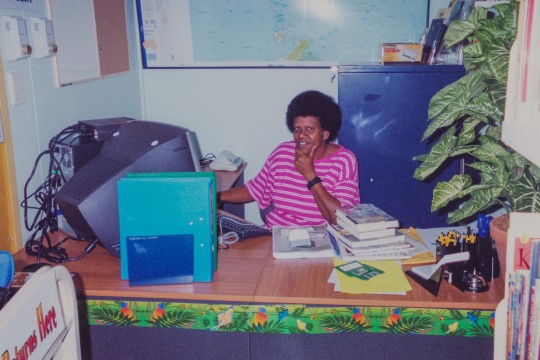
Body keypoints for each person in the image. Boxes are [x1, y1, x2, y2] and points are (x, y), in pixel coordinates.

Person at [218, 90, 360, 229]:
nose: (301, 135)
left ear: (325, 134)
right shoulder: (283, 153)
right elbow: (256, 188)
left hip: (322, 240)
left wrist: (310, 176)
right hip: (276, 234)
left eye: (309, 129)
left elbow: (338, 219)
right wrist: (217, 197)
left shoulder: (344, 161)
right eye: (297, 129)